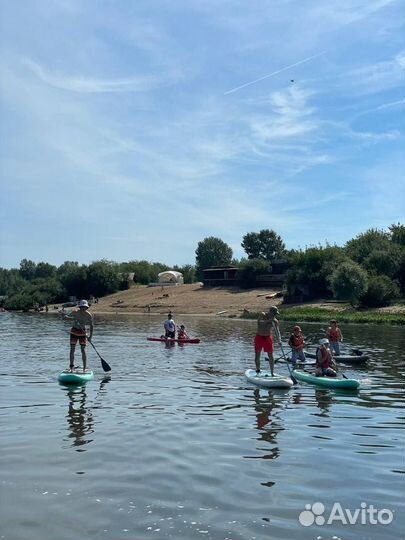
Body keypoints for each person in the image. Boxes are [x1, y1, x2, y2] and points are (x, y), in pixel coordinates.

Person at [64, 300, 94, 372]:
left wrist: (90, 337)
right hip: (74, 331)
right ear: (80, 307)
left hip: (82, 333)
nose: (83, 309)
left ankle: (84, 367)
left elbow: (91, 325)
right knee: (72, 349)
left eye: (85, 307)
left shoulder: (88, 315)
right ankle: (71, 366)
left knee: (83, 350)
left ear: (86, 308)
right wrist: (72, 318)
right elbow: (66, 317)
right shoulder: (75, 312)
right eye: (82, 307)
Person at [254, 306, 281, 376]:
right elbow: (260, 322)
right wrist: (269, 321)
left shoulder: (275, 320)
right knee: (257, 355)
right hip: (259, 337)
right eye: (274, 313)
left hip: (268, 337)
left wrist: (279, 340)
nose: (275, 315)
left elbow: (277, 331)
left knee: (271, 356)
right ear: (270, 312)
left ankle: (272, 373)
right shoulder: (262, 315)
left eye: (276, 314)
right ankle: (258, 371)